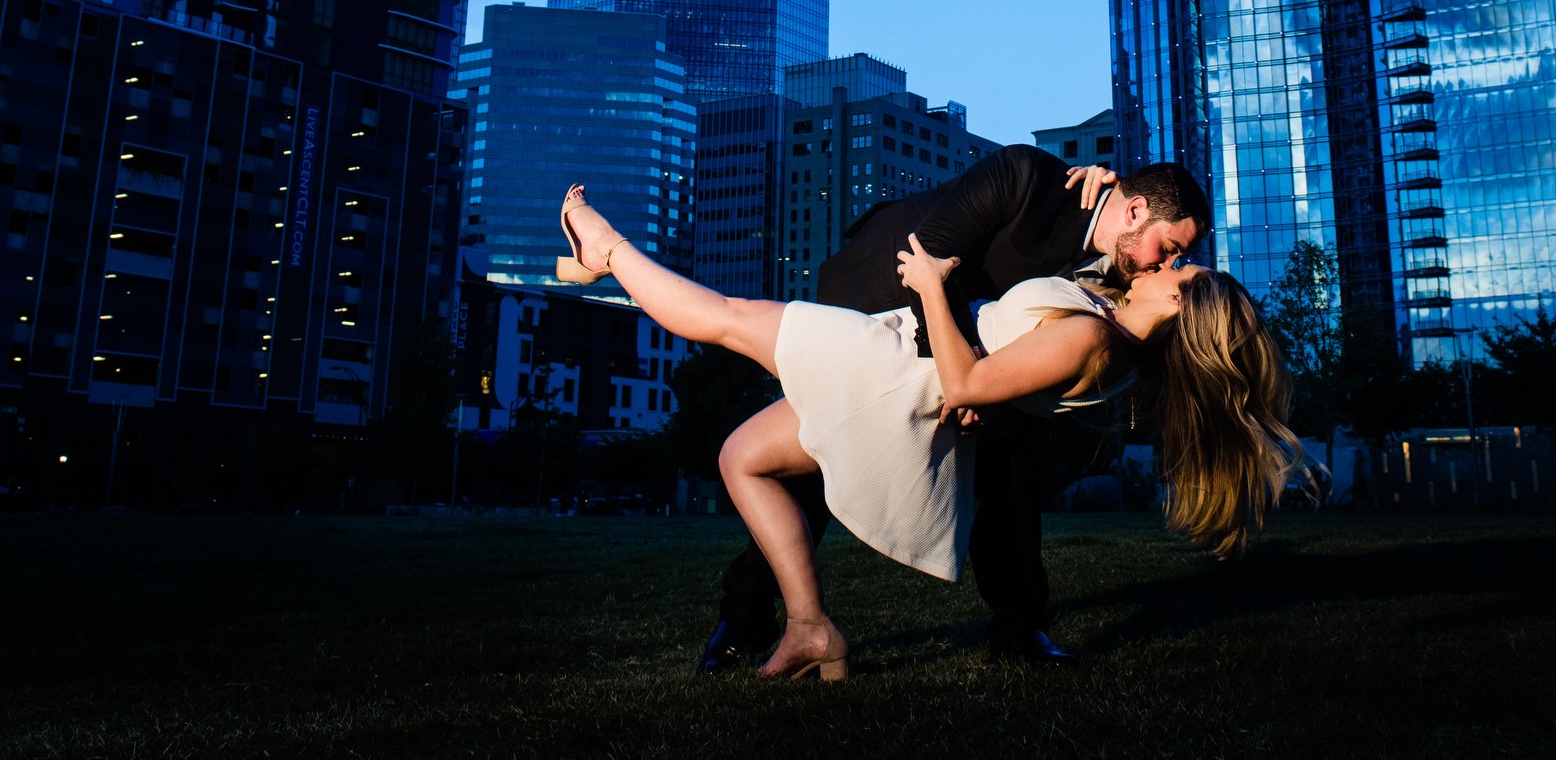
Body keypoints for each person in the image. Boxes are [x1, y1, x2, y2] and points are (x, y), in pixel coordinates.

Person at [552, 179, 1296, 680]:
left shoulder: (1098, 344)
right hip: (913, 378)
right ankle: (811, 626)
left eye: (1187, 271)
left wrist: (936, 288)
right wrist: (1096, 182)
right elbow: (1020, 351)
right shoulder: (1108, 324)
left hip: (907, 370)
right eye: (1180, 252)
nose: (1179, 262)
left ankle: (607, 249)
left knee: (725, 316)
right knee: (742, 456)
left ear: (1179, 307)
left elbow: (972, 380)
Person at [717, 146, 1210, 670]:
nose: (1167, 263)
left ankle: (1021, 632)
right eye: (1170, 247)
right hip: (879, 296)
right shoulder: (1026, 176)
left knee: (1009, 463)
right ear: (1134, 211)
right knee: (814, 458)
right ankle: (744, 620)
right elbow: (931, 251)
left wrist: (976, 389)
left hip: (967, 354)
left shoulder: (1121, 268)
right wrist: (961, 378)